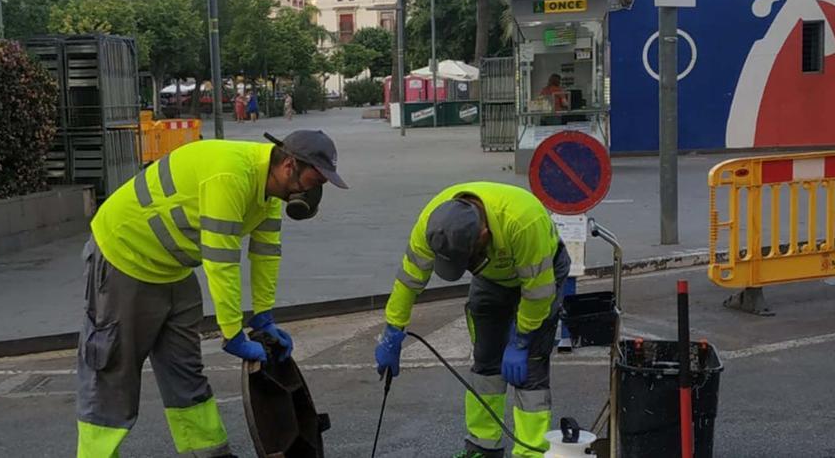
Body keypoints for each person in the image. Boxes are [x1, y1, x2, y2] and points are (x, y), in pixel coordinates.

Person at [77, 130, 349, 458]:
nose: (316, 189)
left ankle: (207, 453)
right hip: (125, 257)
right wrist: (232, 331)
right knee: (112, 372)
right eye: (316, 178)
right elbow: (221, 260)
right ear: (290, 165)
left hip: (172, 267)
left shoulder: (270, 193)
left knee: (184, 368)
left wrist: (264, 317)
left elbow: (265, 253)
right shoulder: (231, 175)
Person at [374, 182, 568, 458]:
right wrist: (392, 331)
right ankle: (483, 447)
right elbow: (408, 281)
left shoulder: (524, 222)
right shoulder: (434, 223)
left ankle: (531, 452)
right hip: (491, 279)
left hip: (541, 274)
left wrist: (522, 339)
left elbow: (537, 294)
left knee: (530, 370)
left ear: (484, 234)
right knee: (486, 362)